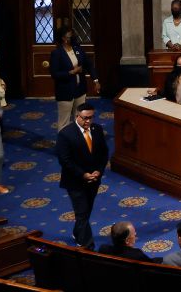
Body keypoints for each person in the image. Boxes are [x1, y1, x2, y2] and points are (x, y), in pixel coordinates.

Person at [57, 101, 109, 250]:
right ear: (77, 116)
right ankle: (86, 244)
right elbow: (65, 161)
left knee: (86, 211)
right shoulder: (66, 134)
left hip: (94, 180)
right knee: (82, 211)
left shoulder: (97, 129)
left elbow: (103, 153)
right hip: (75, 181)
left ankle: (77, 232)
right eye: (85, 118)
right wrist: (83, 174)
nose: (88, 121)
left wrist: (99, 171)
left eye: (91, 117)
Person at [51, 25, 101, 132]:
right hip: (65, 91)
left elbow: (88, 64)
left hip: (80, 89)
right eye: (69, 35)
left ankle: (78, 143)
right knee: (64, 122)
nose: (72, 36)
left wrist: (95, 80)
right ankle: (64, 146)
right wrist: (71, 72)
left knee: (80, 119)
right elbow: (55, 74)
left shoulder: (77, 49)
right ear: (63, 38)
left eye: (71, 34)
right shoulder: (57, 53)